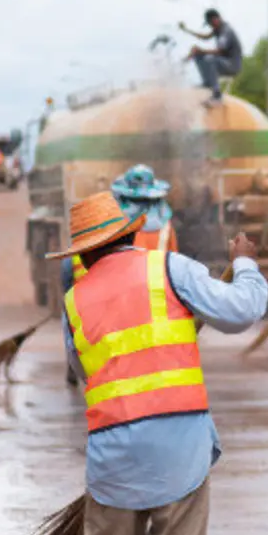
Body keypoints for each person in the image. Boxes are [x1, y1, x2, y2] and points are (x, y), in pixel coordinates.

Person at [49, 192, 268, 535]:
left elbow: (83, 368)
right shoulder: (168, 268)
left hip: (113, 450)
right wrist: (246, 265)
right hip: (179, 446)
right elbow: (240, 311)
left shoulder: (74, 300)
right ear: (130, 234)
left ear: (81, 254)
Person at [59, 165, 180, 386]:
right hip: (155, 306)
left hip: (96, 311)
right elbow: (175, 266)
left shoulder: (110, 228)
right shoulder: (166, 226)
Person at [180, 9, 242, 107]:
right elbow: (205, 37)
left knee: (211, 59)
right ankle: (207, 83)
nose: (210, 26)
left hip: (232, 65)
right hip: (224, 62)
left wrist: (201, 50)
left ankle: (217, 96)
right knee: (198, 55)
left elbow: (219, 51)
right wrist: (187, 30)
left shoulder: (226, 31)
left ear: (216, 19)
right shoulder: (217, 29)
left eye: (210, 23)